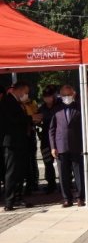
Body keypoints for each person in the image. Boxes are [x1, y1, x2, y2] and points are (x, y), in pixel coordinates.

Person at [1, 82, 37, 211]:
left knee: (20, 171)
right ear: (19, 90)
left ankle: (18, 196)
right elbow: (14, 119)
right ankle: (9, 201)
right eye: (25, 92)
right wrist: (30, 118)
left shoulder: (17, 102)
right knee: (11, 172)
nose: (26, 95)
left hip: (20, 141)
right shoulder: (7, 101)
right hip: (11, 142)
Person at [49, 85, 85, 207]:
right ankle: (67, 198)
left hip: (76, 145)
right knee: (63, 174)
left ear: (73, 94)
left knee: (79, 173)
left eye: (69, 95)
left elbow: (85, 127)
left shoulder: (79, 107)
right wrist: (53, 147)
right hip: (61, 146)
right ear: (60, 96)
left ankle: (80, 197)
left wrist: (84, 144)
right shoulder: (56, 109)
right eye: (64, 95)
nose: (67, 97)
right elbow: (52, 129)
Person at [37, 85, 59, 194]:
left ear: (53, 96)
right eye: (45, 97)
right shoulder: (42, 108)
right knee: (47, 162)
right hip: (45, 138)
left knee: (62, 161)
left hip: (58, 137)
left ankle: (66, 183)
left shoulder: (59, 106)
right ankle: (51, 184)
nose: (47, 99)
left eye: (49, 96)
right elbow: (37, 120)